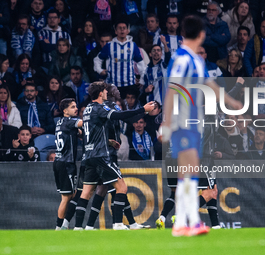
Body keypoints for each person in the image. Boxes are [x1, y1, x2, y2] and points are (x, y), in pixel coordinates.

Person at [162, 15, 241, 237]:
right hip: (182, 124)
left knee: (189, 176)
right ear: (202, 35)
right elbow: (172, 90)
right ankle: (189, 223)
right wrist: (167, 123)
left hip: (195, 126)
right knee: (188, 174)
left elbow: (209, 84)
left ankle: (184, 224)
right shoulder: (181, 59)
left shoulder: (196, 60)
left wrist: (231, 102)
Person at [73, 81, 155, 230]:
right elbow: (120, 116)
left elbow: (92, 131)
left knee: (88, 192)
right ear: (101, 93)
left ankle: (81, 227)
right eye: (106, 90)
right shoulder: (103, 106)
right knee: (121, 187)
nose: (108, 91)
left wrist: (108, 141)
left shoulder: (87, 109)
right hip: (103, 155)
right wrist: (143, 109)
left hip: (90, 155)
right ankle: (118, 223)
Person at [94, 19, 146, 98]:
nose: (122, 30)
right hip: (113, 84)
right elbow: (97, 59)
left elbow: (141, 63)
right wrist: (99, 70)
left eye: (124, 28)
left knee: (129, 108)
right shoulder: (109, 45)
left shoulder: (133, 45)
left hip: (130, 84)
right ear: (116, 31)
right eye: (120, 28)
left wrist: (142, 78)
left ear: (127, 31)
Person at [53, 98, 83, 230]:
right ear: (65, 111)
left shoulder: (60, 122)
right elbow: (83, 123)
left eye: (76, 106)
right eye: (72, 107)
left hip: (59, 161)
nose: (76, 109)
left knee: (69, 195)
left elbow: (77, 132)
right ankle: (59, 227)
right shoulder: (70, 122)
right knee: (67, 198)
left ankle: (63, 225)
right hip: (67, 163)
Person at [143, 41, 170, 105]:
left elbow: (168, 55)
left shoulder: (164, 65)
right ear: (150, 54)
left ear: (161, 53)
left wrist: (165, 44)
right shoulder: (146, 70)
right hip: (153, 104)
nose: (156, 52)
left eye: (158, 50)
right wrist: (146, 89)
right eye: (154, 50)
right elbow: (144, 88)